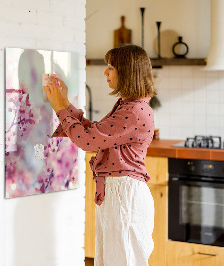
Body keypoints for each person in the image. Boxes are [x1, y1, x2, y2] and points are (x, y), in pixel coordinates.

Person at [43, 44, 156, 266]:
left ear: (127, 72)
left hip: (124, 195)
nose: (105, 72)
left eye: (111, 67)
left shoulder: (133, 111)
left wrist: (59, 108)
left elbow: (87, 141)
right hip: (118, 193)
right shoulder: (129, 106)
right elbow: (95, 133)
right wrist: (65, 104)